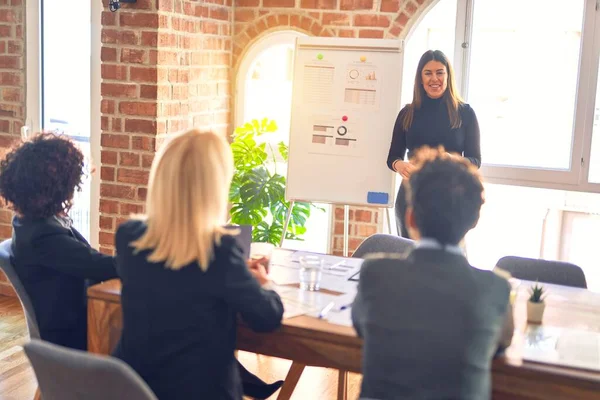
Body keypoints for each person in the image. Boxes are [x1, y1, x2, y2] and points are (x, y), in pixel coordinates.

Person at [112, 129, 285, 400]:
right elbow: (266, 318)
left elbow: (175, 279)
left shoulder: (129, 236)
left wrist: (236, 271)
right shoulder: (219, 250)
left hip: (137, 389)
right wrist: (265, 282)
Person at [352, 147, 513, 400]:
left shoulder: (375, 273)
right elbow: (501, 342)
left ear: (411, 218)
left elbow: (361, 325)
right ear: (474, 221)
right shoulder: (495, 290)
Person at [0, 133, 118, 350]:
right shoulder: (44, 237)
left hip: (68, 323)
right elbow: (105, 267)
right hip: (74, 337)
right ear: (56, 187)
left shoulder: (28, 221)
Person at [387, 49, 481, 238]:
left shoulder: (465, 113)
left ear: (448, 76)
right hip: (411, 197)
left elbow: (476, 160)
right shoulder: (407, 113)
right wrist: (400, 165)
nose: (434, 79)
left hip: (451, 198)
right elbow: (392, 157)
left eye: (440, 72)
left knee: (446, 262)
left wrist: (452, 160)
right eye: (428, 73)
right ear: (420, 79)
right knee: (408, 260)